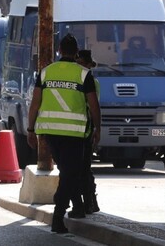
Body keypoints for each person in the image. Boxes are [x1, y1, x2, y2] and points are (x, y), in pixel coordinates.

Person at [26, 34, 100, 234]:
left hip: (50, 133)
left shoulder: (45, 72)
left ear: (59, 50)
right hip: (75, 134)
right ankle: (59, 216)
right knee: (70, 174)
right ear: (76, 52)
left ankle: (70, 209)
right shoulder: (84, 74)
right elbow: (94, 105)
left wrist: (30, 129)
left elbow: (35, 103)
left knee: (67, 173)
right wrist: (97, 129)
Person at [76, 49, 100, 214]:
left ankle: (89, 201)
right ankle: (88, 201)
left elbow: (92, 107)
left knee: (83, 169)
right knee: (82, 169)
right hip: (81, 129)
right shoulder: (86, 78)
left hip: (84, 130)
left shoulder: (90, 80)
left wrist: (96, 129)